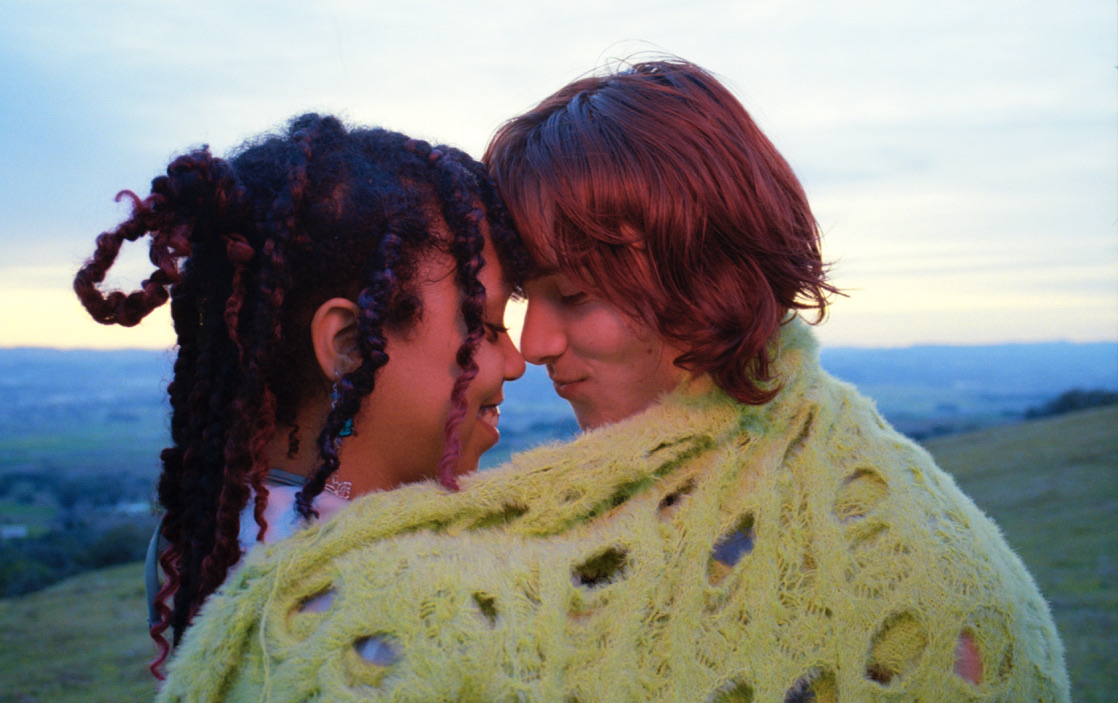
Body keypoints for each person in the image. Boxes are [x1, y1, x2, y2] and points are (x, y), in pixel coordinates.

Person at [154, 62, 1070, 701]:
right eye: (514, 308)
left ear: (703, 284)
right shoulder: (513, 550)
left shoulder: (881, 534)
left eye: (576, 297)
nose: (534, 345)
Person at [72, 113, 527, 678]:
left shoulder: (217, 529)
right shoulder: (363, 596)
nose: (516, 361)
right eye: (483, 324)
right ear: (353, 345)